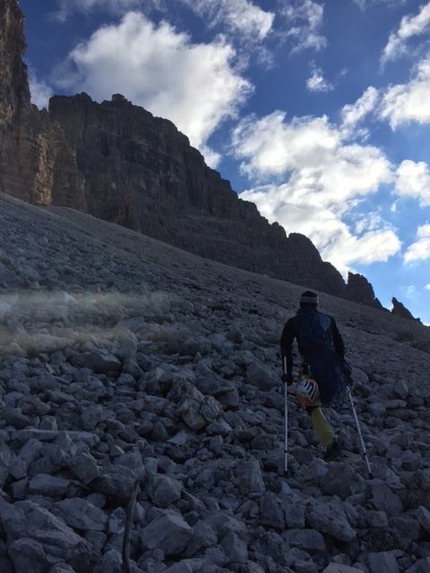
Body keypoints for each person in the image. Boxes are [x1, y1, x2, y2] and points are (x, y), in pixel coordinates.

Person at [280, 290, 350, 461]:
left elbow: (285, 349)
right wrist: (343, 369)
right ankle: (330, 439)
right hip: (332, 367)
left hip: (310, 368)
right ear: (316, 304)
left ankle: (329, 440)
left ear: (301, 304)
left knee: (311, 404)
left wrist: (287, 373)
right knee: (319, 400)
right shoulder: (328, 321)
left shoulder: (294, 322)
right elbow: (340, 346)